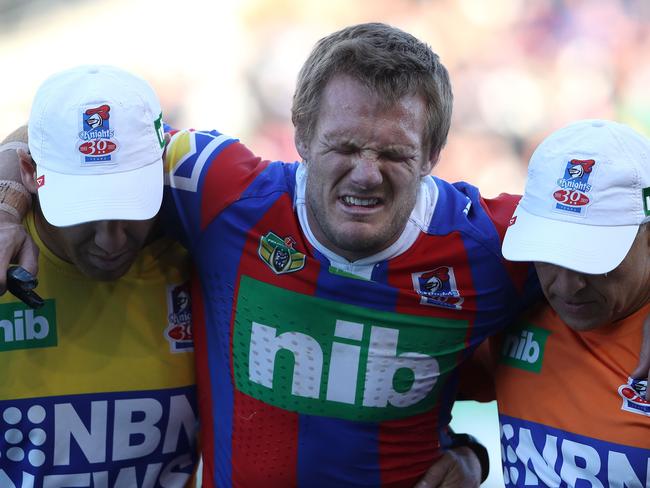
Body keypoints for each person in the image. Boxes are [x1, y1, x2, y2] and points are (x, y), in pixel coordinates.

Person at [0, 25, 541, 487]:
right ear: (301, 135)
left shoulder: (495, 243)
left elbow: (611, 245)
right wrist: (8, 203)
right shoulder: (219, 191)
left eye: (394, 152)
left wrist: (471, 454)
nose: (367, 172)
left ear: (433, 156)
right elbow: (76, 140)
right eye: (345, 146)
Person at [0, 66, 199, 487]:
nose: (110, 241)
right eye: (83, 211)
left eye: (130, 207)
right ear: (27, 171)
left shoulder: (205, 241)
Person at [465, 119, 650, 487]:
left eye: (592, 258)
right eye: (547, 251)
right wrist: (466, 453)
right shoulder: (510, 302)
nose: (567, 285)